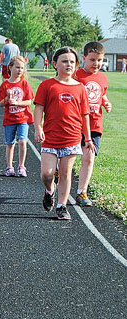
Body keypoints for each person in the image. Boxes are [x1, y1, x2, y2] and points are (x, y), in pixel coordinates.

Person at [34, 46, 96, 220]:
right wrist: (38, 127)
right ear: (55, 64)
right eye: (64, 61)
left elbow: (85, 115)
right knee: (47, 174)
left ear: (76, 64)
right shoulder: (47, 85)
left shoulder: (81, 88)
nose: (69, 64)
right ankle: (49, 190)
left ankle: (62, 206)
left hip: (71, 138)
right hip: (50, 138)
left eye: (72, 62)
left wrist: (88, 138)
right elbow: (39, 108)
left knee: (65, 172)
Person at [74, 41, 112, 206]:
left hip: (95, 125)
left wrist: (106, 102)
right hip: (75, 124)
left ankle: (82, 192)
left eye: (99, 60)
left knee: (88, 159)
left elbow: (101, 94)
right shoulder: (77, 76)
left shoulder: (103, 77)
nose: (96, 63)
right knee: (68, 157)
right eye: (92, 60)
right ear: (84, 58)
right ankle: (57, 177)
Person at [0, 55, 34, 178]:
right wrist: (7, 99)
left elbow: (29, 101)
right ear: (10, 67)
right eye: (17, 67)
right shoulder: (5, 85)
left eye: (22, 68)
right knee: (10, 143)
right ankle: (9, 167)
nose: (20, 70)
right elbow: (0, 103)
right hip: (10, 119)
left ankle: (22, 166)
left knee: (22, 141)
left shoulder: (25, 84)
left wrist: (17, 103)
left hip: (23, 118)